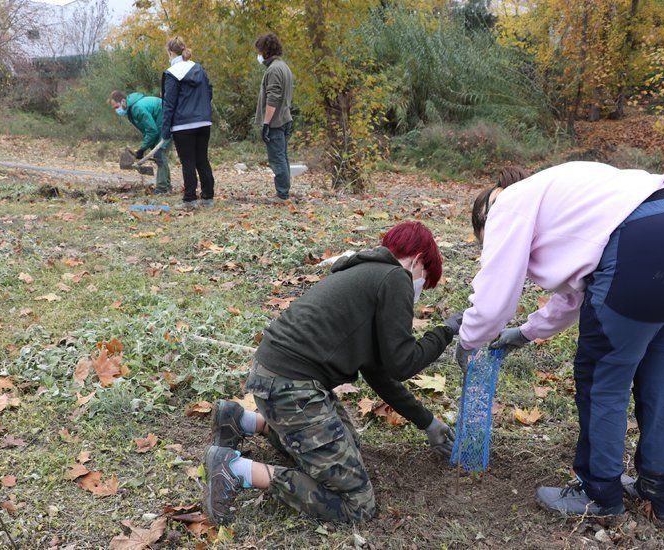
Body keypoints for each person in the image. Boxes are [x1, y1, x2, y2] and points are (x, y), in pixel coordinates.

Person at [458, 161, 664, 527]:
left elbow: (493, 301)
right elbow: (575, 295)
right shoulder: (566, 194)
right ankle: (661, 491)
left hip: (644, 246)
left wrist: (469, 339)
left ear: (485, 218)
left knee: (602, 376)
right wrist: (526, 332)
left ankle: (599, 493)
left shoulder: (507, 205)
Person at [203, 221, 462, 525]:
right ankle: (235, 470)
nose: (419, 287)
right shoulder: (396, 277)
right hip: (291, 388)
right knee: (356, 504)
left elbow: (379, 373)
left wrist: (427, 422)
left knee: (350, 447)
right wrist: (446, 331)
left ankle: (240, 420)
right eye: (424, 278)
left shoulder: (365, 275)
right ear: (418, 259)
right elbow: (403, 363)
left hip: (273, 377)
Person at [161, 37, 215, 209]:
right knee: (202, 160)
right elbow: (209, 91)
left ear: (170, 52)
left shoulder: (172, 73)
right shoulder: (199, 69)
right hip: (203, 121)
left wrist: (165, 130)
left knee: (188, 162)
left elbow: (169, 103)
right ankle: (207, 197)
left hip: (183, 124)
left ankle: (189, 199)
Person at [254, 33, 295, 202]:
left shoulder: (274, 69)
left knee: (277, 159)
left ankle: (282, 194)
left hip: (276, 122)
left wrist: (266, 123)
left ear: (265, 50)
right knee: (282, 157)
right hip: (284, 118)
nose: (258, 54)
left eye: (259, 50)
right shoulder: (283, 66)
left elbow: (273, 98)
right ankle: (283, 191)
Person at [109, 90, 171, 195]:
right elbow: (148, 129)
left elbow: (152, 130)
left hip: (166, 118)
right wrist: (147, 146)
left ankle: (162, 189)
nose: (117, 110)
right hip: (160, 122)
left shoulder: (137, 108)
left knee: (159, 153)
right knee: (158, 154)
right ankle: (166, 186)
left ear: (123, 101)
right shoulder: (131, 110)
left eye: (116, 107)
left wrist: (142, 149)